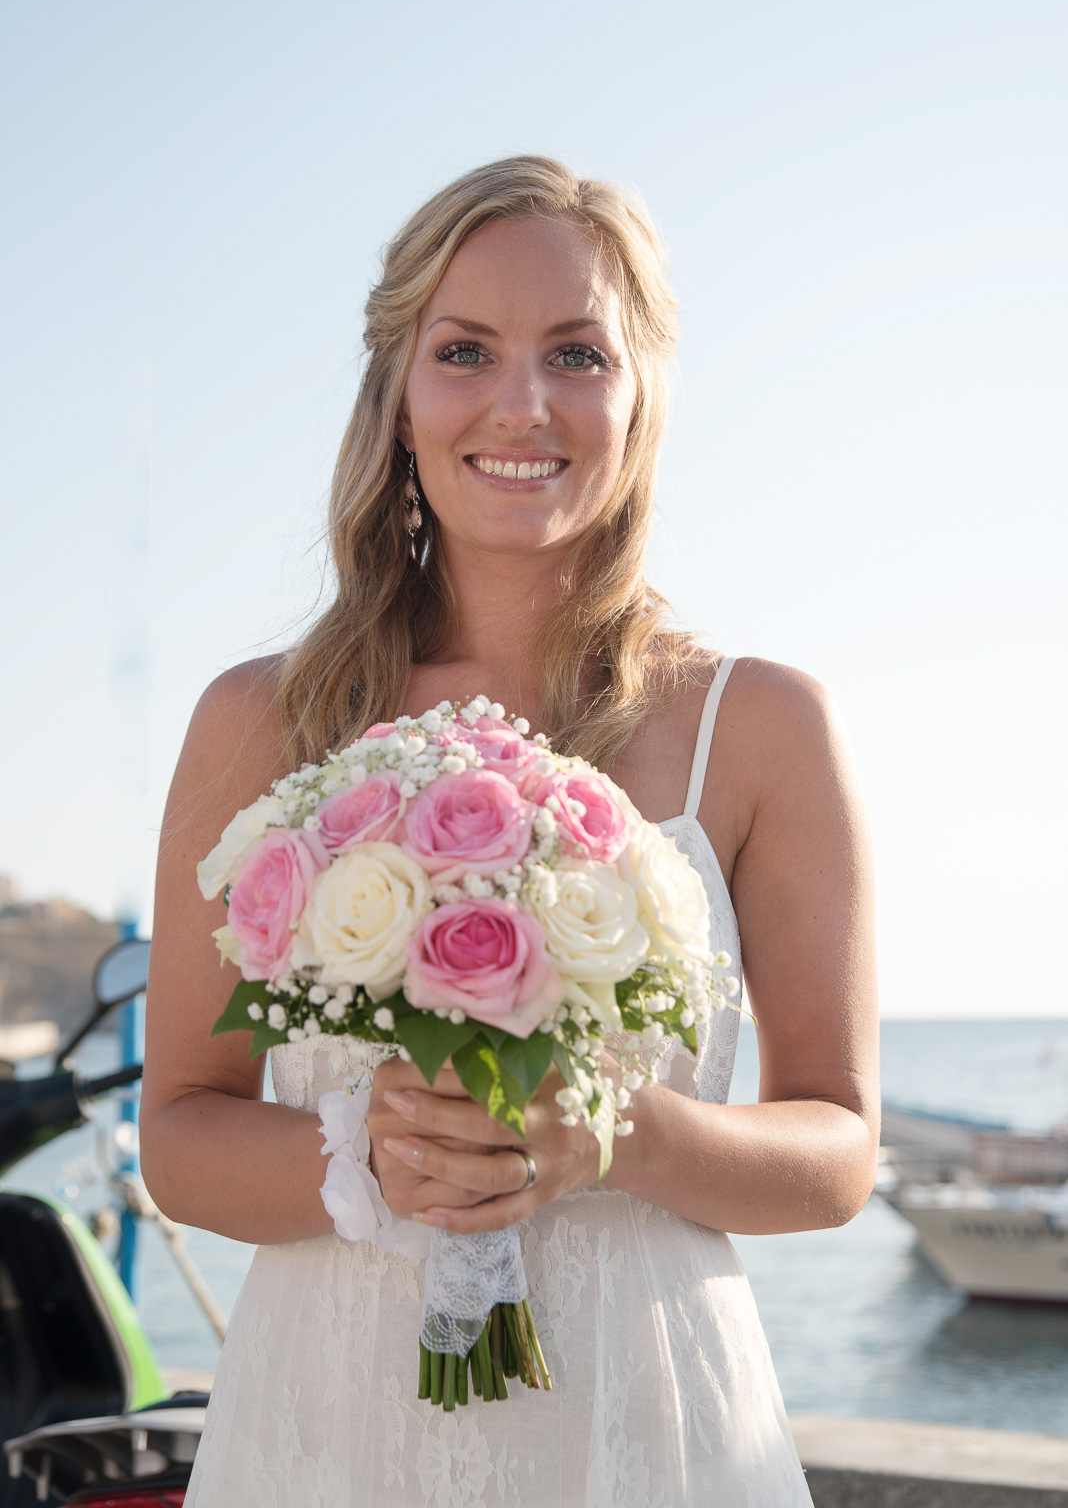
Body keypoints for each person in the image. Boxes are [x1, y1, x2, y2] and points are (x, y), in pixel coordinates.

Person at [140, 154, 879, 1507]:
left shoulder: (764, 726)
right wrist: (364, 1158)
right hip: (327, 1432)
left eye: (579, 354)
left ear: (640, 395)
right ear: (401, 395)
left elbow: (837, 1151)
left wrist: (612, 1139)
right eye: (466, 349)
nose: (521, 404)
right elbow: (180, 1136)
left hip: (645, 1428)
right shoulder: (259, 719)